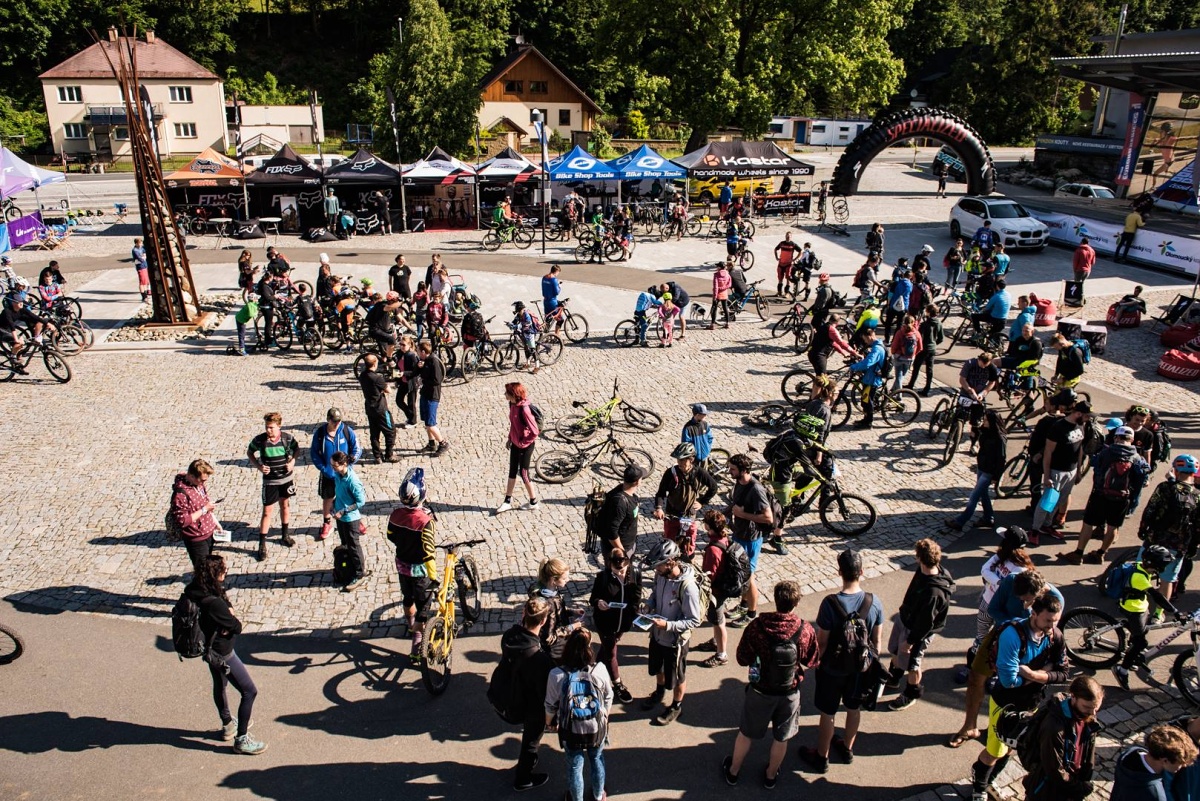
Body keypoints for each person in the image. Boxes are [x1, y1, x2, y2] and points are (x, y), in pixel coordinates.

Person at [721, 580, 818, 790]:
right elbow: (812, 660)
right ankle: (771, 775)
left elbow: (742, 658)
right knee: (781, 738)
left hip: (760, 690)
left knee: (746, 733)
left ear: (775, 600)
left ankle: (733, 771)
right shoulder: (805, 629)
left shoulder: (757, 627)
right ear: (796, 603)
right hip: (789, 692)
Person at [970, 592, 1068, 801]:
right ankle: (979, 786)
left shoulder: (1054, 636)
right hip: (1005, 703)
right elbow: (1008, 681)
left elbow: (1063, 672)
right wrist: (1045, 672)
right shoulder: (1012, 636)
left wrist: (1033, 675)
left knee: (1012, 746)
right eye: (1048, 620)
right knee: (995, 750)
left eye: (1056, 621)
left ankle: (989, 780)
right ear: (1034, 614)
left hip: (1032, 703)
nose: (1052, 626)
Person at [948, 569, 1061, 748]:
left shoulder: (1054, 599)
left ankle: (1001, 730)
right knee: (976, 678)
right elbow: (994, 609)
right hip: (1001, 636)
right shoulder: (1011, 581)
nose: (1022, 601)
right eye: (1019, 598)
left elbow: (1050, 632)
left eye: (1026, 599)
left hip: (1028, 646)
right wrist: (1012, 626)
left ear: (1039, 594)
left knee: (1012, 689)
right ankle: (970, 726)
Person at [798, 549, 885, 774]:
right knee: (853, 708)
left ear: (839, 572)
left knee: (828, 713)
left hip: (832, 668)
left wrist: (814, 662)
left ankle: (822, 756)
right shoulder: (874, 602)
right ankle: (847, 748)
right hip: (860, 669)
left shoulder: (830, 604)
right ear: (861, 572)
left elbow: (822, 642)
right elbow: (877, 641)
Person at [187, 554, 266, 755]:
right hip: (223, 652)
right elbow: (236, 626)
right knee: (249, 691)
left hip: (209, 649)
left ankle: (227, 723)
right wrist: (230, 615)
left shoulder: (195, 590)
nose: (226, 572)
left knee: (220, 685)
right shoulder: (214, 603)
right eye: (223, 569)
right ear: (216, 574)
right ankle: (241, 739)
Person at [1062, 426, 1151, 565]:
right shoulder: (1137, 458)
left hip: (1100, 494)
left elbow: (1095, 465)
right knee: (1113, 527)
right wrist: (1133, 498)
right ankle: (1100, 554)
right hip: (1121, 498)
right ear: (1132, 439)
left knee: (1088, 524)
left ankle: (1078, 553)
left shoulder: (1107, 452)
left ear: (1116, 437)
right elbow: (1143, 476)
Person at [885, 539, 956, 711]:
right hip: (906, 618)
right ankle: (894, 676)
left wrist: (910, 642)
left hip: (917, 632)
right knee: (895, 649)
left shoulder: (933, 592)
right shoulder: (927, 570)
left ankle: (911, 693)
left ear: (919, 558)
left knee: (913, 665)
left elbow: (925, 624)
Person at [545, 628, 613, 801]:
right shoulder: (599, 669)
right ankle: (598, 795)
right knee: (597, 759)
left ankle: (576, 798)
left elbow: (550, 704)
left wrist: (550, 722)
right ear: (589, 647)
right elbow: (608, 695)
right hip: (596, 727)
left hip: (571, 728)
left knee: (575, 765)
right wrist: (605, 715)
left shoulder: (557, 674)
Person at [957, 526, 1032, 682]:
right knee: (980, 638)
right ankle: (971, 666)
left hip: (1004, 612)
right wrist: (1000, 583)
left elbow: (1014, 591)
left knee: (1001, 641)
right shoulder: (1000, 556)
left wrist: (999, 583)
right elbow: (985, 570)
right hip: (987, 602)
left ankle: (995, 673)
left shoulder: (1021, 570)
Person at [640, 539, 701, 726]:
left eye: (658, 565)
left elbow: (694, 620)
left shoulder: (688, 588)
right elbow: (655, 594)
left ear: (670, 562)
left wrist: (668, 626)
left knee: (677, 676)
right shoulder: (661, 576)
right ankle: (659, 692)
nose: (655, 569)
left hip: (675, 642)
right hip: (657, 635)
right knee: (658, 667)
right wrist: (648, 605)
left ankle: (676, 706)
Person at [1021, 676, 1104, 801]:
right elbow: (1054, 771)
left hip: (1071, 784)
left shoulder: (1086, 715)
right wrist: (1079, 788)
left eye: (1096, 708)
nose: (1093, 713)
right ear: (1073, 697)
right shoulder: (1053, 727)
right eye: (1087, 707)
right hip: (1048, 791)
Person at [1133, 455, 1200, 609]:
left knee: (1141, 572)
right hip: (1179, 545)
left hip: (1155, 539)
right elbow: (1198, 525)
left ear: (1176, 470)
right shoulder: (1198, 495)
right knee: (1167, 580)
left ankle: (1136, 605)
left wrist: (1143, 529)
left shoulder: (1165, 487)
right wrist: (1193, 545)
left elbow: (1150, 509)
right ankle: (1158, 614)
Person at [504, 598, 554, 792]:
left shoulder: (510, 636)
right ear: (543, 621)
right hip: (532, 704)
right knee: (531, 740)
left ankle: (528, 765)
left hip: (512, 693)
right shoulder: (538, 657)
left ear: (524, 614)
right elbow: (543, 690)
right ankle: (523, 778)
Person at [387, 472, 437, 654]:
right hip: (420, 570)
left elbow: (390, 536)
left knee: (408, 598)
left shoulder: (395, 515)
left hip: (402, 565)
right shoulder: (425, 522)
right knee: (423, 607)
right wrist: (434, 576)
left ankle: (410, 625)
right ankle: (417, 644)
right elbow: (429, 552)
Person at [1033, 400, 1092, 540]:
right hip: (1056, 471)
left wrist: (1078, 471)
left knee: (1060, 500)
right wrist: (1047, 476)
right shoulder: (1058, 427)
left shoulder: (1081, 425)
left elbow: (1079, 449)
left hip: (1071, 471)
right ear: (1078, 414)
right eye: (1086, 416)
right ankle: (1034, 530)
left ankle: (1047, 525)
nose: (1088, 419)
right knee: (1047, 502)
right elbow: (1048, 452)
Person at [590, 547, 641, 705]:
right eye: (616, 570)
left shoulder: (635, 574)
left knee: (606, 649)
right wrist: (599, 602)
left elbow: (637, 597)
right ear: (609, 565)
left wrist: (638, 610)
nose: (620, 573)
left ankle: (592, 670)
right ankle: (618, 684)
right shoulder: (602, 577)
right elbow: (593, 598)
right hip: (605, 622)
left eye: (623, 570)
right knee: (611, 652)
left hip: (623, 624)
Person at [727, 453, 772, 625]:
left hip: (751, 539)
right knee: (741, 574)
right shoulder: (739, 482)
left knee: (749, 577)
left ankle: (752, 614)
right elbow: (736, 504)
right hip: (739, 534)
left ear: (743, 470)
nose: (729, 472)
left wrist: (742, 514)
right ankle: (743, 605)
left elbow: (768, 518)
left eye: (733, 469)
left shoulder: (756, 489)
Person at [246, 412, 299, 562]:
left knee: (285, 505)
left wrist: (293, 462)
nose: (268, 430)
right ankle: (262, 544)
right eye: (267, 427)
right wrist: (259, 466)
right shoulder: (260, 440)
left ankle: (285, 535)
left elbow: (297, 449)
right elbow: (250, 452)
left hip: (286, 479)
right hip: (270, 482)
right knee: (267, 512)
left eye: (271, 427)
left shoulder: (287, 438)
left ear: (279, 426)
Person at [653, 442, 718, 558]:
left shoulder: (699, 472)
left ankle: (688, 556)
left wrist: (702, 502)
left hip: (689, 513)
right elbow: (661, 493)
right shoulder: (670, 473)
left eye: (683, 460)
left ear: (691, 459)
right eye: (678, 459)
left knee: (690, 537)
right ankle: (669, 557)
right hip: (672, 512)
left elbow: (713, 487)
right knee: (669, 537)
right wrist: (659, 508)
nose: (679, 463)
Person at [696, 510, 741, 667]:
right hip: (725, 586)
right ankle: (715, 641)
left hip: (717, 591)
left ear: (708, 527)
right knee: (717, 620)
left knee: (719, 621)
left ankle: (722, 654)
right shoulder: (724, 538)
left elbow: (709, 575)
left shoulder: (713, 549)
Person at [950, 409, 1007, 530]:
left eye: (986, 420)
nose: (984, 421)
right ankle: (988, 518)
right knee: (983, 494)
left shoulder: (1000, 438)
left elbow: (1001, 459)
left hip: (989, 471)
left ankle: (960, 522)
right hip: (981, 467)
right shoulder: (986, 432)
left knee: (974, 497)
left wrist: (996, 476)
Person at [310, 408, 362, 542]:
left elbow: (357, 448)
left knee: (348, 497)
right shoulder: (320, 434)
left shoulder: (346, 431)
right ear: (328, 420)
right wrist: (323, 468)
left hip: (344, 474)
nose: (337, 424)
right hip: (328, 474)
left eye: (339, 421)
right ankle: (327, 523)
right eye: (334, 421)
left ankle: (356, 521)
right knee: (327, 498)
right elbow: (314, 453)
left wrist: (351, 460)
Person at [1111, 724, 1198, 801]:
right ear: (1165, 760)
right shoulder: (1156, 795)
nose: (1184, 766)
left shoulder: (1128, 754)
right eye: (1181, 763)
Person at [329, 451, 369, 591]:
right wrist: (334, 504)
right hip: (340, 518)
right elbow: (339, 493)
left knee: (353, 546)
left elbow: (361, 501)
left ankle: (359, 573)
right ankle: (350, 569)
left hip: (351, 519)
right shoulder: (338, 475)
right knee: (345, 545)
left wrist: (344, 511)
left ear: (344, 464)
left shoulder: (353, 481)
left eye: (335, 466)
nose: (333, 468)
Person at [171, 459, 220, 573]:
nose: (204, 483)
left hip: (208, 532)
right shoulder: (180, 495)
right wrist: (204, 510)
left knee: (208, 568)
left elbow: (205, 503)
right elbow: (183, 521)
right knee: (203, 572)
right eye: (202, 480)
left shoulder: (199, 485)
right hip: (196, 538)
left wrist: (215, 522)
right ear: (192, 476)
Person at [498, 382, 540, 514]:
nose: (504, 394)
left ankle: (533, 502)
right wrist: (510, 438)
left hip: (525, 446)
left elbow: (535, 431)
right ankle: (507, 502)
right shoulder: (512, 404)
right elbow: (514, 424)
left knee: (524, 474)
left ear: (513, 395)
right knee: (512, 471)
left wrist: (523, 443)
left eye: (507, 393)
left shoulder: (524, 409)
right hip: (515, 443)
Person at [531, 558, 582, 663]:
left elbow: (558, 609)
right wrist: (571, 627)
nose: (568, 580)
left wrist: (572, 612)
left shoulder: (551, 591)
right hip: (555, 651)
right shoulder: (547, 604)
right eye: (564, 578)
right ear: (554, 580)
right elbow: (548, 638)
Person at [596, 465, 644, 560]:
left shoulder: (625, 492)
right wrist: (622, 553)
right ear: (637, 482)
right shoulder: (620, 502)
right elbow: (611, 532)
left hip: (629, 544)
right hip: (618, 550)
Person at [357, 354, 398, 463]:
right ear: (375, 364)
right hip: (381, 409)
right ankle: (389, 454)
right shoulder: (377, 378)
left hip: (370, 408)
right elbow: (389, 390)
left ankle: (377, 456)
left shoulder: (362, 375)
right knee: (391, 431)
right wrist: (381, 389)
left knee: (374, 433)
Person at [848, 327, 886, 429]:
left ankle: (868, 423)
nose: (865, 341)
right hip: (869, 377)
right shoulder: (875, 346)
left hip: (872, 379)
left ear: (869, 336)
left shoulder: (877, 349)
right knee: (865, 400)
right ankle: (865, 419)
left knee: (867, 401)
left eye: (865, 339)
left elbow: (868, 363)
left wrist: (854, 367)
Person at [417, 341, 448, 455]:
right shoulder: (425, 361)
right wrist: (420, 368)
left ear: (423, 352)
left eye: (418, 351)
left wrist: (423, 380)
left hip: (432, 396)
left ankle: (443, 443)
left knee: (431, 424)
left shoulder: (433, 361)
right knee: (427, 422)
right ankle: (431, 443)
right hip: (425, 394)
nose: (417, 353)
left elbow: (437, 380)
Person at [889, 313, 922, 392]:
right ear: (913, 323)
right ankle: (893, 390)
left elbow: (894, 346)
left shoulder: (900, 332)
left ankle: (899, 395)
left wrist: (893, 353)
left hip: (899, 357)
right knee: (901, 376)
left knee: (899, 377)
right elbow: (920, 348)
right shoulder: (917, 333)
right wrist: (913, 355)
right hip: (909, 359)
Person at [366, 291, 402, 361]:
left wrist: (410, 328)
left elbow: (401, 319)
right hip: (376, 330)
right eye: (396, 299)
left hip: (383, 330)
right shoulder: (383, 305)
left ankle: (386, 362)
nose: (397, 300)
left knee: (386, 349)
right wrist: (401, 302)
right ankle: (389, 360)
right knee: (391, 340)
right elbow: (388, 307)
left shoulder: (393, 307)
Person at [884, 269, 913, 341]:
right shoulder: (910, 285)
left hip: (893, 305)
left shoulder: (896, 283)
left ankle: (887, 339)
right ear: (910, 277)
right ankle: (894, 340)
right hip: (904, 306)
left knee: (888, 323)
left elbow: (890, 295)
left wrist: (888, 304)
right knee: (899, 324)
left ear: (903, 275)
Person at [774, 232, 799, 297]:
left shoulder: (793, 244)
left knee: (788, 278)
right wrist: (776, 257)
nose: (788, 237)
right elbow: (775, 249)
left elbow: (800, 251)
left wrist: (794, 259)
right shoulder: (782, 243)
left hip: (788, 264)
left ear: (791, 237)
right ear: (785, 236)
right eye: (787, 236)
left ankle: (787, 293)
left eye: (789, 236)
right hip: (781, 263)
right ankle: (779, 292)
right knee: (780, 278)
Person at [710, 261, 732, 329]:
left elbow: (716, 287)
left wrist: (715, 296)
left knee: (714, 309)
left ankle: (712, 324)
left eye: (717, 266)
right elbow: (729, 284)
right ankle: (727, 323)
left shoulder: (716, 275)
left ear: (719, 267)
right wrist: (723, 288)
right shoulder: (727, 274)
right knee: (725, 308)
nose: (716, 267)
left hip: (718, 294)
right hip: (724, 293)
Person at [131, 237, 150, 301]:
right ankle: (144, 296)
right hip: (140, 267)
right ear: (136, 243)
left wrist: (143, 256)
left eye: (141, 243)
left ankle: (146, 294)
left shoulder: (142, 248)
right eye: (139, 243)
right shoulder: (135, 250)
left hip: (145, 265)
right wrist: (143, 257)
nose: (141, 244)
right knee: (142, 281)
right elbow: (140, 259)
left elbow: (144, 253)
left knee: (146, 280)